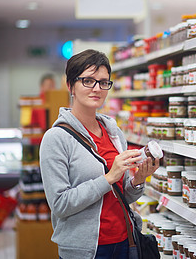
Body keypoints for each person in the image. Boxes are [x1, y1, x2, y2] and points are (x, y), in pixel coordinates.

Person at [39, 49, 159, 259]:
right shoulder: (56, 138)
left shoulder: (114, 133)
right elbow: (60, 204)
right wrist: (108, 178)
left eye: (103, 82)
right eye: (88, 81)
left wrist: (138, 179)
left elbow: (123, 195)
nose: (97, 88)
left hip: (125, 241)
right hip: (86, 250)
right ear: (70, 86)